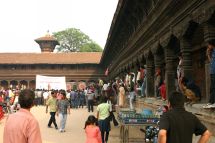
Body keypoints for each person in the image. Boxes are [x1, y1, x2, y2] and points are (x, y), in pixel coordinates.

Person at [204, 39, 215, 108]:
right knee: (212, 87)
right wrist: (208, 54)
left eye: (209, 44)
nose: (208, 46)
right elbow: (211, 62)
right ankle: (211, 102)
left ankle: (212, 102)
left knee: (213, 87)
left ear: (212, 44)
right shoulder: (213, 52)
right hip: (212, 71)